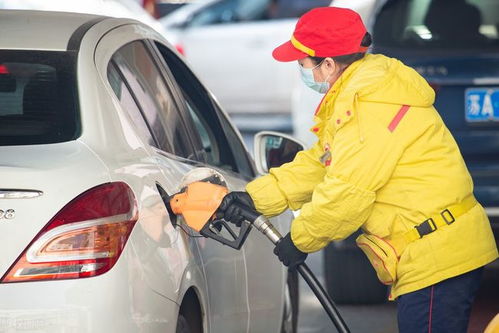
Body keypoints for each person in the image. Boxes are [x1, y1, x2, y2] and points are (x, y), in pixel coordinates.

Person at [218, 7, 498, 333]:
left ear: (327, 65)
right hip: (434, 251)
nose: (300, 70)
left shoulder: (369, 104)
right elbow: (322, 165)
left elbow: (347, 192)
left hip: (438, 257)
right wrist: (254, 199)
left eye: (302, 63)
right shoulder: (365, 88)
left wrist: (301, 239)